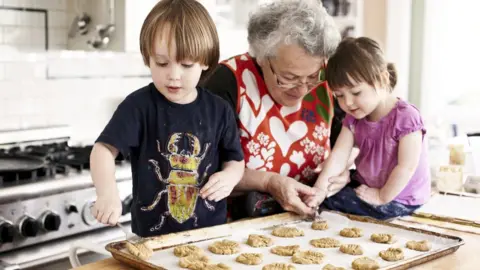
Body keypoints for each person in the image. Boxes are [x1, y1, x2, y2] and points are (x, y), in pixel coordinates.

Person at [89, 0, 245, 237]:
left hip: (209, 236)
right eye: (161, 63)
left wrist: (230, 177)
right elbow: (103, 150)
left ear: (204, 61)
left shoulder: (220, 110)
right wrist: (107, 193)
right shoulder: (138, 107)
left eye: (186, 64)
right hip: (150, 239)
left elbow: (235, 160)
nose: (173, 75)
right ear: (147, 58)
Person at [203, 0, 355, 219]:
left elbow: (352, 141)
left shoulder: (327, 81)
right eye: (289, 77)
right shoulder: (227, 82)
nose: (303, 88)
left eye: (312, 76)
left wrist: (344, 172)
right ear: (262, 56)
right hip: (237, 225)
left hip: (311, 221)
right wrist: (270, 182)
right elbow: (204, 168)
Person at [306, 37, 431, 220]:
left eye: (356, 93)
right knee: (324, 190)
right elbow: (339, 156)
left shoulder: (406, 117)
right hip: (370, 184)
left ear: (382, 79)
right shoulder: (354, 119)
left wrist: (381, 196)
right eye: (339, 95)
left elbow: (407, 167)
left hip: (400, 197)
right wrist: (319, 189)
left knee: (334, 203)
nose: (347, 103)